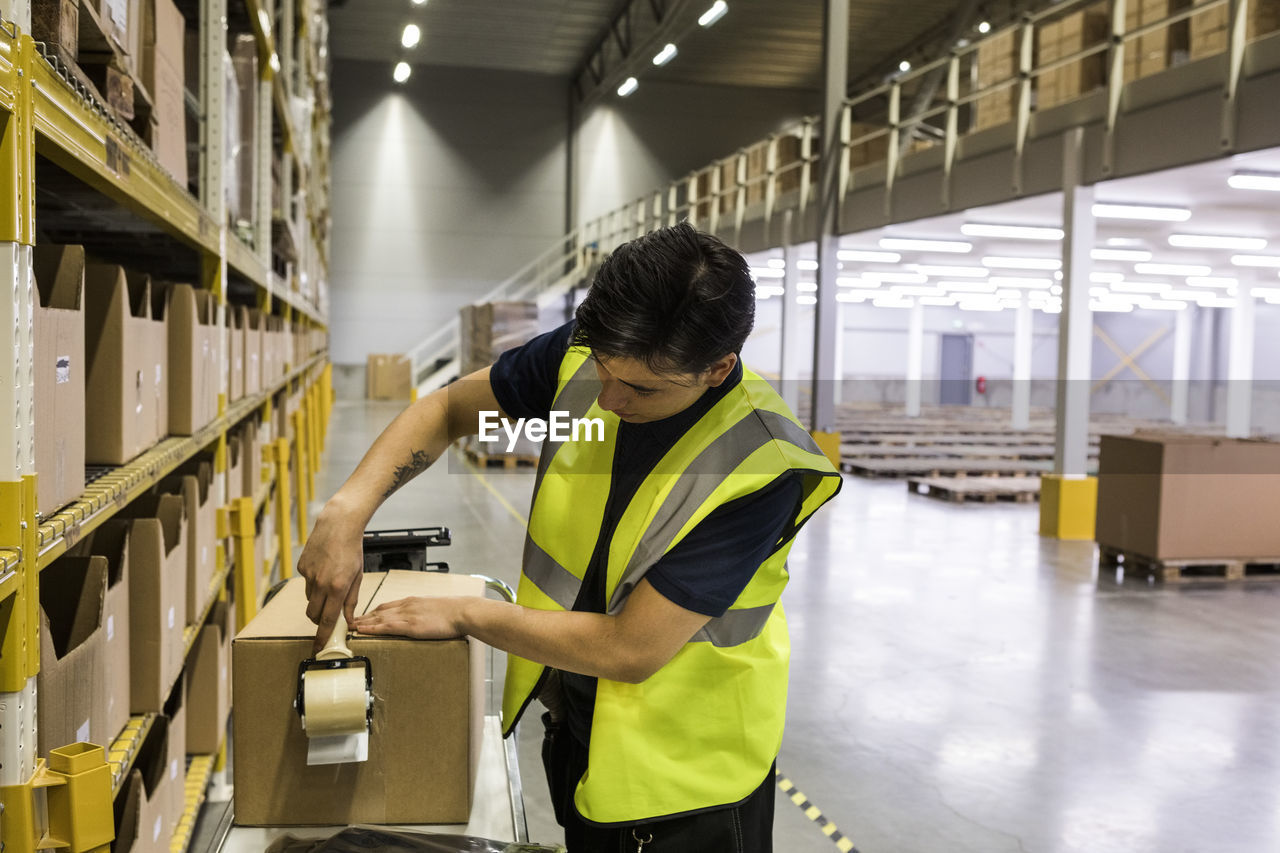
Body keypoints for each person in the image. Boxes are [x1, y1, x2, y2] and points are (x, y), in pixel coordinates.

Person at [298, 222, 841, 852]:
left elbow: (629, 649)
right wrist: (345, 511)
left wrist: (470, 614)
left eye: (639, 387)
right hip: (580, 724)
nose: (606, 398)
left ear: (717, 368)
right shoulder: (588, 356)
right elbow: (448, 410)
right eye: (605, 370)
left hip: (687, 780)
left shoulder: (760, 464)